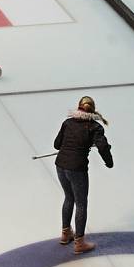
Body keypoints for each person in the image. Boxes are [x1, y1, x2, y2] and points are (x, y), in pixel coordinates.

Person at [54, 96, 113, 254]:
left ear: (78, 108)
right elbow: (102, 147)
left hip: (61, 165)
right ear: (93, 110)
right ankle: (79, 242)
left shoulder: (68, 123)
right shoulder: (94, 127)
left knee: (69, 197)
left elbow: (57, 145)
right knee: (81, 203)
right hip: (77, 168)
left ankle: (66, 234)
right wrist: (109, 161)